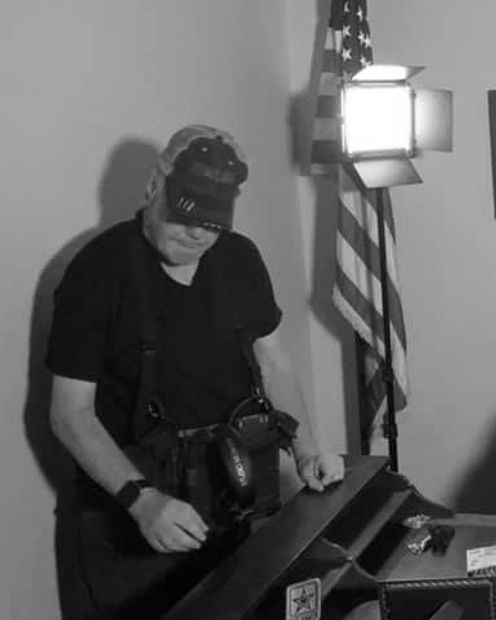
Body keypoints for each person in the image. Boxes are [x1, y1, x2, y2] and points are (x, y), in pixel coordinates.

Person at [48, 125, 345, 618]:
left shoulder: (239, 259)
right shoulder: (97, 271)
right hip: (130, 522)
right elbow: (69, 414)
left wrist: (308, 448)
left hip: (228, 502)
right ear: (154, 188)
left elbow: (274, 362)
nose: (196, 233)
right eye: (186, 216)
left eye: (211, 223)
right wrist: (142, 500)